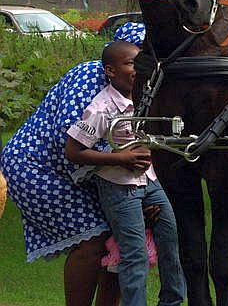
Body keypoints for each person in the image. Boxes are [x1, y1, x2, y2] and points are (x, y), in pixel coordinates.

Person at [0, 22, 146, 306]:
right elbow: (67, 141)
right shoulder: (87, 77)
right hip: (35, 166)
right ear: (114, 62)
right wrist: (120, 165)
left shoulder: (137, 82)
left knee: (117, 235)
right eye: (136, 59)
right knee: (90, 240)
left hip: (85, 170)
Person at [65, 40, 186, 306]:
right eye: (130, 63)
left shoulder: (146, 97)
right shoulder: (101, 108)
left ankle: (172, 301)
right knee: (135, 255)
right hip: (119, 186)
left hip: (149, 181)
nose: (136, 69)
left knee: (170, 240)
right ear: (110, 71)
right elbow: (73, 151)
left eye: (138, 63)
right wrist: (120, 158)